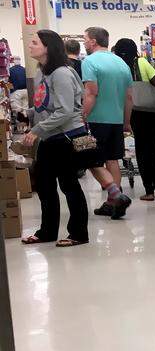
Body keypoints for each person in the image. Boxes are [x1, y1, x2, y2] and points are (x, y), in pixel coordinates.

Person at [15, 30, 89, 246]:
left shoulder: (62, 73)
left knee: (69, 185)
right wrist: (27, 113)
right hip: (50, 138)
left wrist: (37, 129)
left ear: (48, 47)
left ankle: (78, 234)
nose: (30, 46)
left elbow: (65, 111)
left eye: (35, 42)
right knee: (45, 186)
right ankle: (47, 231)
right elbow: (45, 104)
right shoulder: (42, 72)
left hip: (67, 137)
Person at [81, 26, 132, 218]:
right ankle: (113, 204)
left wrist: (82, 115)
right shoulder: (121, 63)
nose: (84, 43)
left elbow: (91, 93)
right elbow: (129, 97)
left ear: (93, 41)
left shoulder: (89, 61)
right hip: (117, 120)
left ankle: (116, 196)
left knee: (89, 159)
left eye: (85, 39)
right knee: (112, 159)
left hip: (95, 120)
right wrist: (126, 122)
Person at [112, 38, 155, 201]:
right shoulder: (142, 62)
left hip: (132, 112)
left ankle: (148, 191)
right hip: (151, 111)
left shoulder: (118, 66)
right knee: (153, 149)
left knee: (141, 151)